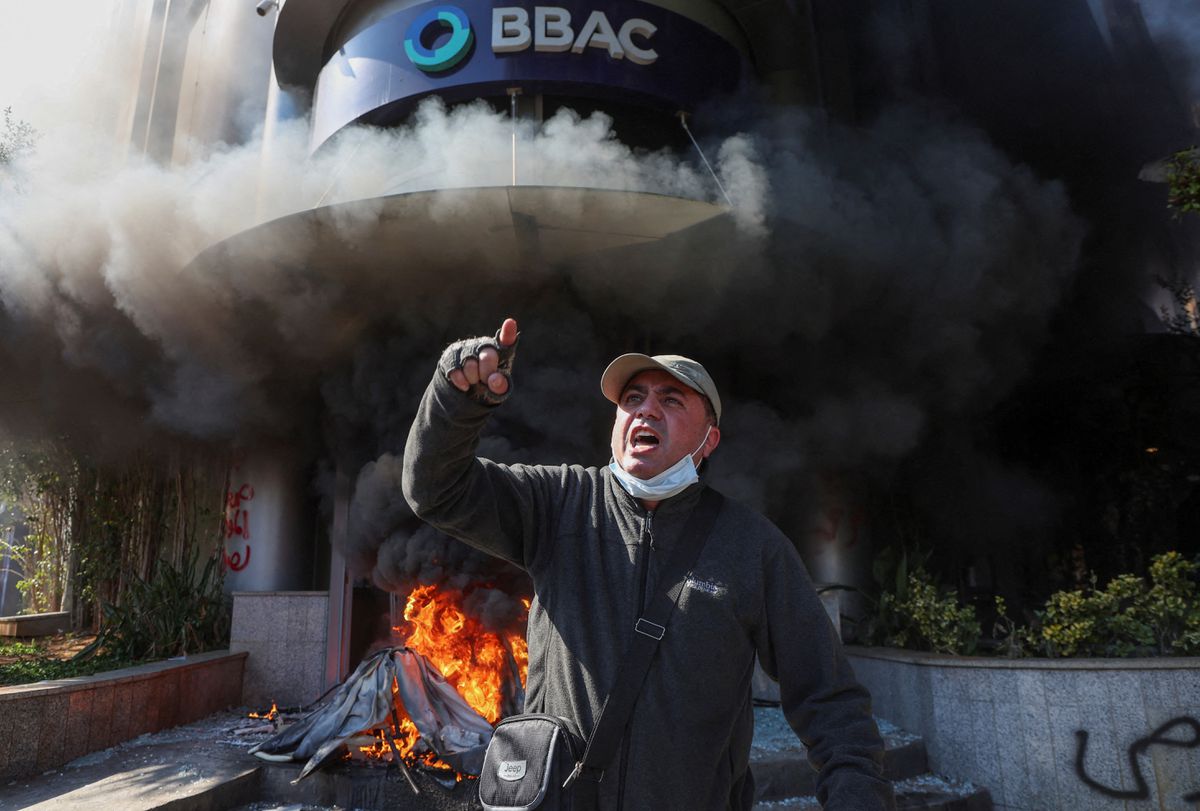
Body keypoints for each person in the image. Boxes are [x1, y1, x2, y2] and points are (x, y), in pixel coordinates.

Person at [403, 317, 895, 811]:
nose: (646, 411)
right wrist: (456, 398)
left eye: (672, 400)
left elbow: (830, 698)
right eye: (632, 399)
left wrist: (859, 793)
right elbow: (435, 490)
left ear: (709, 441)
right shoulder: (560, 503)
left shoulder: (754, 547)